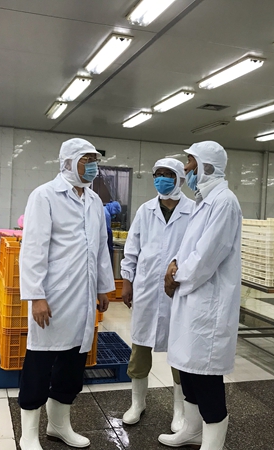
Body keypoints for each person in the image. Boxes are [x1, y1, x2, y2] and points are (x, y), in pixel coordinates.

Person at [18, 138, 114, 450]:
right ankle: (29, 434)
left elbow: (100, 248)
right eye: (87, 159)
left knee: (73, 365)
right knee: (39, 364)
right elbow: (33, 249)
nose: (93, 166)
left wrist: (103, 287)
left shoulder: (94, 201)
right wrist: (36, 296)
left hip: (83, 297)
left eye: (95, 160)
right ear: (69, 162)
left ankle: (59, 426)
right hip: (53, 296)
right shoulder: (45, 195)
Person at [161, 141, 242, 450]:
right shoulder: (203, 200)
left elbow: (208, 255)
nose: (186, 168)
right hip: (191, 299)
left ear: (207, 166)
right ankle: (192, 430)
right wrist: (174, 263)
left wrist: (176, 276)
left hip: (209, 304)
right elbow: (189, 247)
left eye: (191, 162)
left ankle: (212, 443)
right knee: (189, 372)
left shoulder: (224, 202)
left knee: (206, 377)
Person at [120, 158, 194, 431]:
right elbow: (132, 247)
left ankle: (179, 410)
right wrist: (127, 281)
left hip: (178, 290)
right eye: (157, 174)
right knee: (140, 348)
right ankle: (137, 403)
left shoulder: (193, 210)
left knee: (179, 350)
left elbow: (197, 249)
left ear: (179, 179)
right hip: (147, 287)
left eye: (167, 174)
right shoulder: (146, 210)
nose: (161, 179)